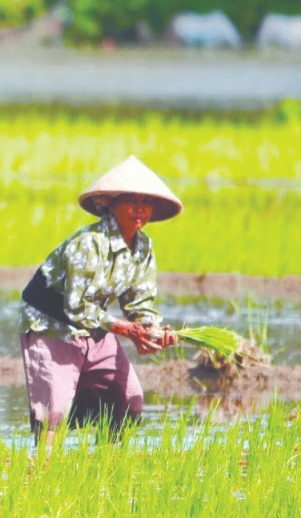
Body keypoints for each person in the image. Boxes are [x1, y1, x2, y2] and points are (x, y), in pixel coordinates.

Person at [19, 155, 182, 455]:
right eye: (131, 201)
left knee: (129, 399)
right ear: (110, 204)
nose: (140, 209)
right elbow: (76, 307)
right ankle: (42, 469)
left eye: (146, 202)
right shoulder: (89, 243)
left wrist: (154, 332)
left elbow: (140, 304)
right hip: (51, 324)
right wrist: (125, 329)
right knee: (54, 411)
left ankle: (104, 463)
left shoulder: (143, 247)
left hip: (95, 325)